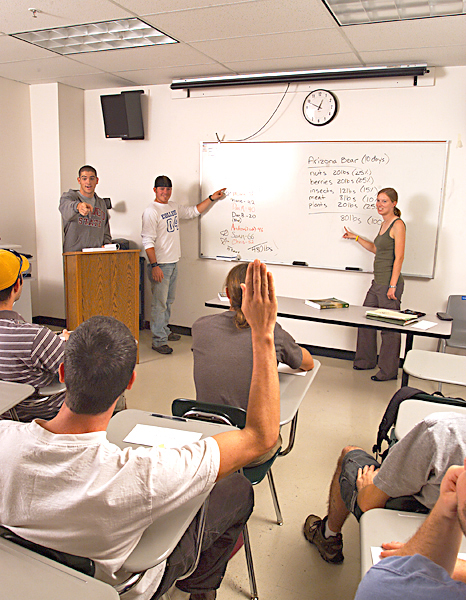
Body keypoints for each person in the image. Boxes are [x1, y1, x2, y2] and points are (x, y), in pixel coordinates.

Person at [0, 259, 280, 600]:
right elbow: (261, 438)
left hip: (25, 580)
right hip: (121, 588)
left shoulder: (5, 439)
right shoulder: (145, 474)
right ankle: (201, 589)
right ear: (129, 382)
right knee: (237, 490)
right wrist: (263, 334)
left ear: (62, 373)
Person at [303, 412, 466, 565]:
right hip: (451, 535)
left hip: (416, 516)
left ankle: (328, 537)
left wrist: (369, 486)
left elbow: (368, 503)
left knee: (350, 455)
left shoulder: (442, 431)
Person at [192, 262, 314, 410]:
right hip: (250, 426)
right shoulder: (271, 331)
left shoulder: (200, 326)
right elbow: (308, 363)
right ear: (264, 295)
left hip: (205, 422)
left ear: (228, 294)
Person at [354, 461, 466, 599]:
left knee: (351, 457)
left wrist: (421, 563)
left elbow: (367, 502)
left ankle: (328, 533)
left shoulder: (383, 588)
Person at [141, 175, 226, 355]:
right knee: (159, 304)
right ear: (155, 190)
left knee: (168, 301)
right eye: (161, 189)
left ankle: (164, 330)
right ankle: (158, 340)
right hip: (160, 265)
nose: (165, 192)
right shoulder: (151, 211)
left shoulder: (172, 207)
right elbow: (147, 240)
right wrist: (154, 265)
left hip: (172, 262)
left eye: (168, 188)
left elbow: (193, 211)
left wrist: (212, 198)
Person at [343, 188, 406, 381]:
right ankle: (365, 361)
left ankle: (388, 372)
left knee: (389, 330)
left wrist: (393, 285)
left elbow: (399, 256)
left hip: (389, 283)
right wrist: (355, 237)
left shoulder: (398, 225)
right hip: (377, 282)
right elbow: (376, 249)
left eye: (384, 201)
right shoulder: (384, 223)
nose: (379, 204)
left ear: (394, 203)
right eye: (378, 201)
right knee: (365, 321)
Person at [0, 248, 68, 421]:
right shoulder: (36, 337)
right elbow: (79, 372)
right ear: (17, 284)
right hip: (42, 415)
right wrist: (68, 345)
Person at [59, 165, 112, 252]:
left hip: (97, 256)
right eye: (84, 178)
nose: (88, 182)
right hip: (74, 255)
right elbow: (66, 209)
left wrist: (108, 246)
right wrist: (78, 206)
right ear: (79, 180)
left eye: (91, 178)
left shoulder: (101, 203)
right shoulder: (69, 197)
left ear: (97, 180)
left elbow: (106, 231)